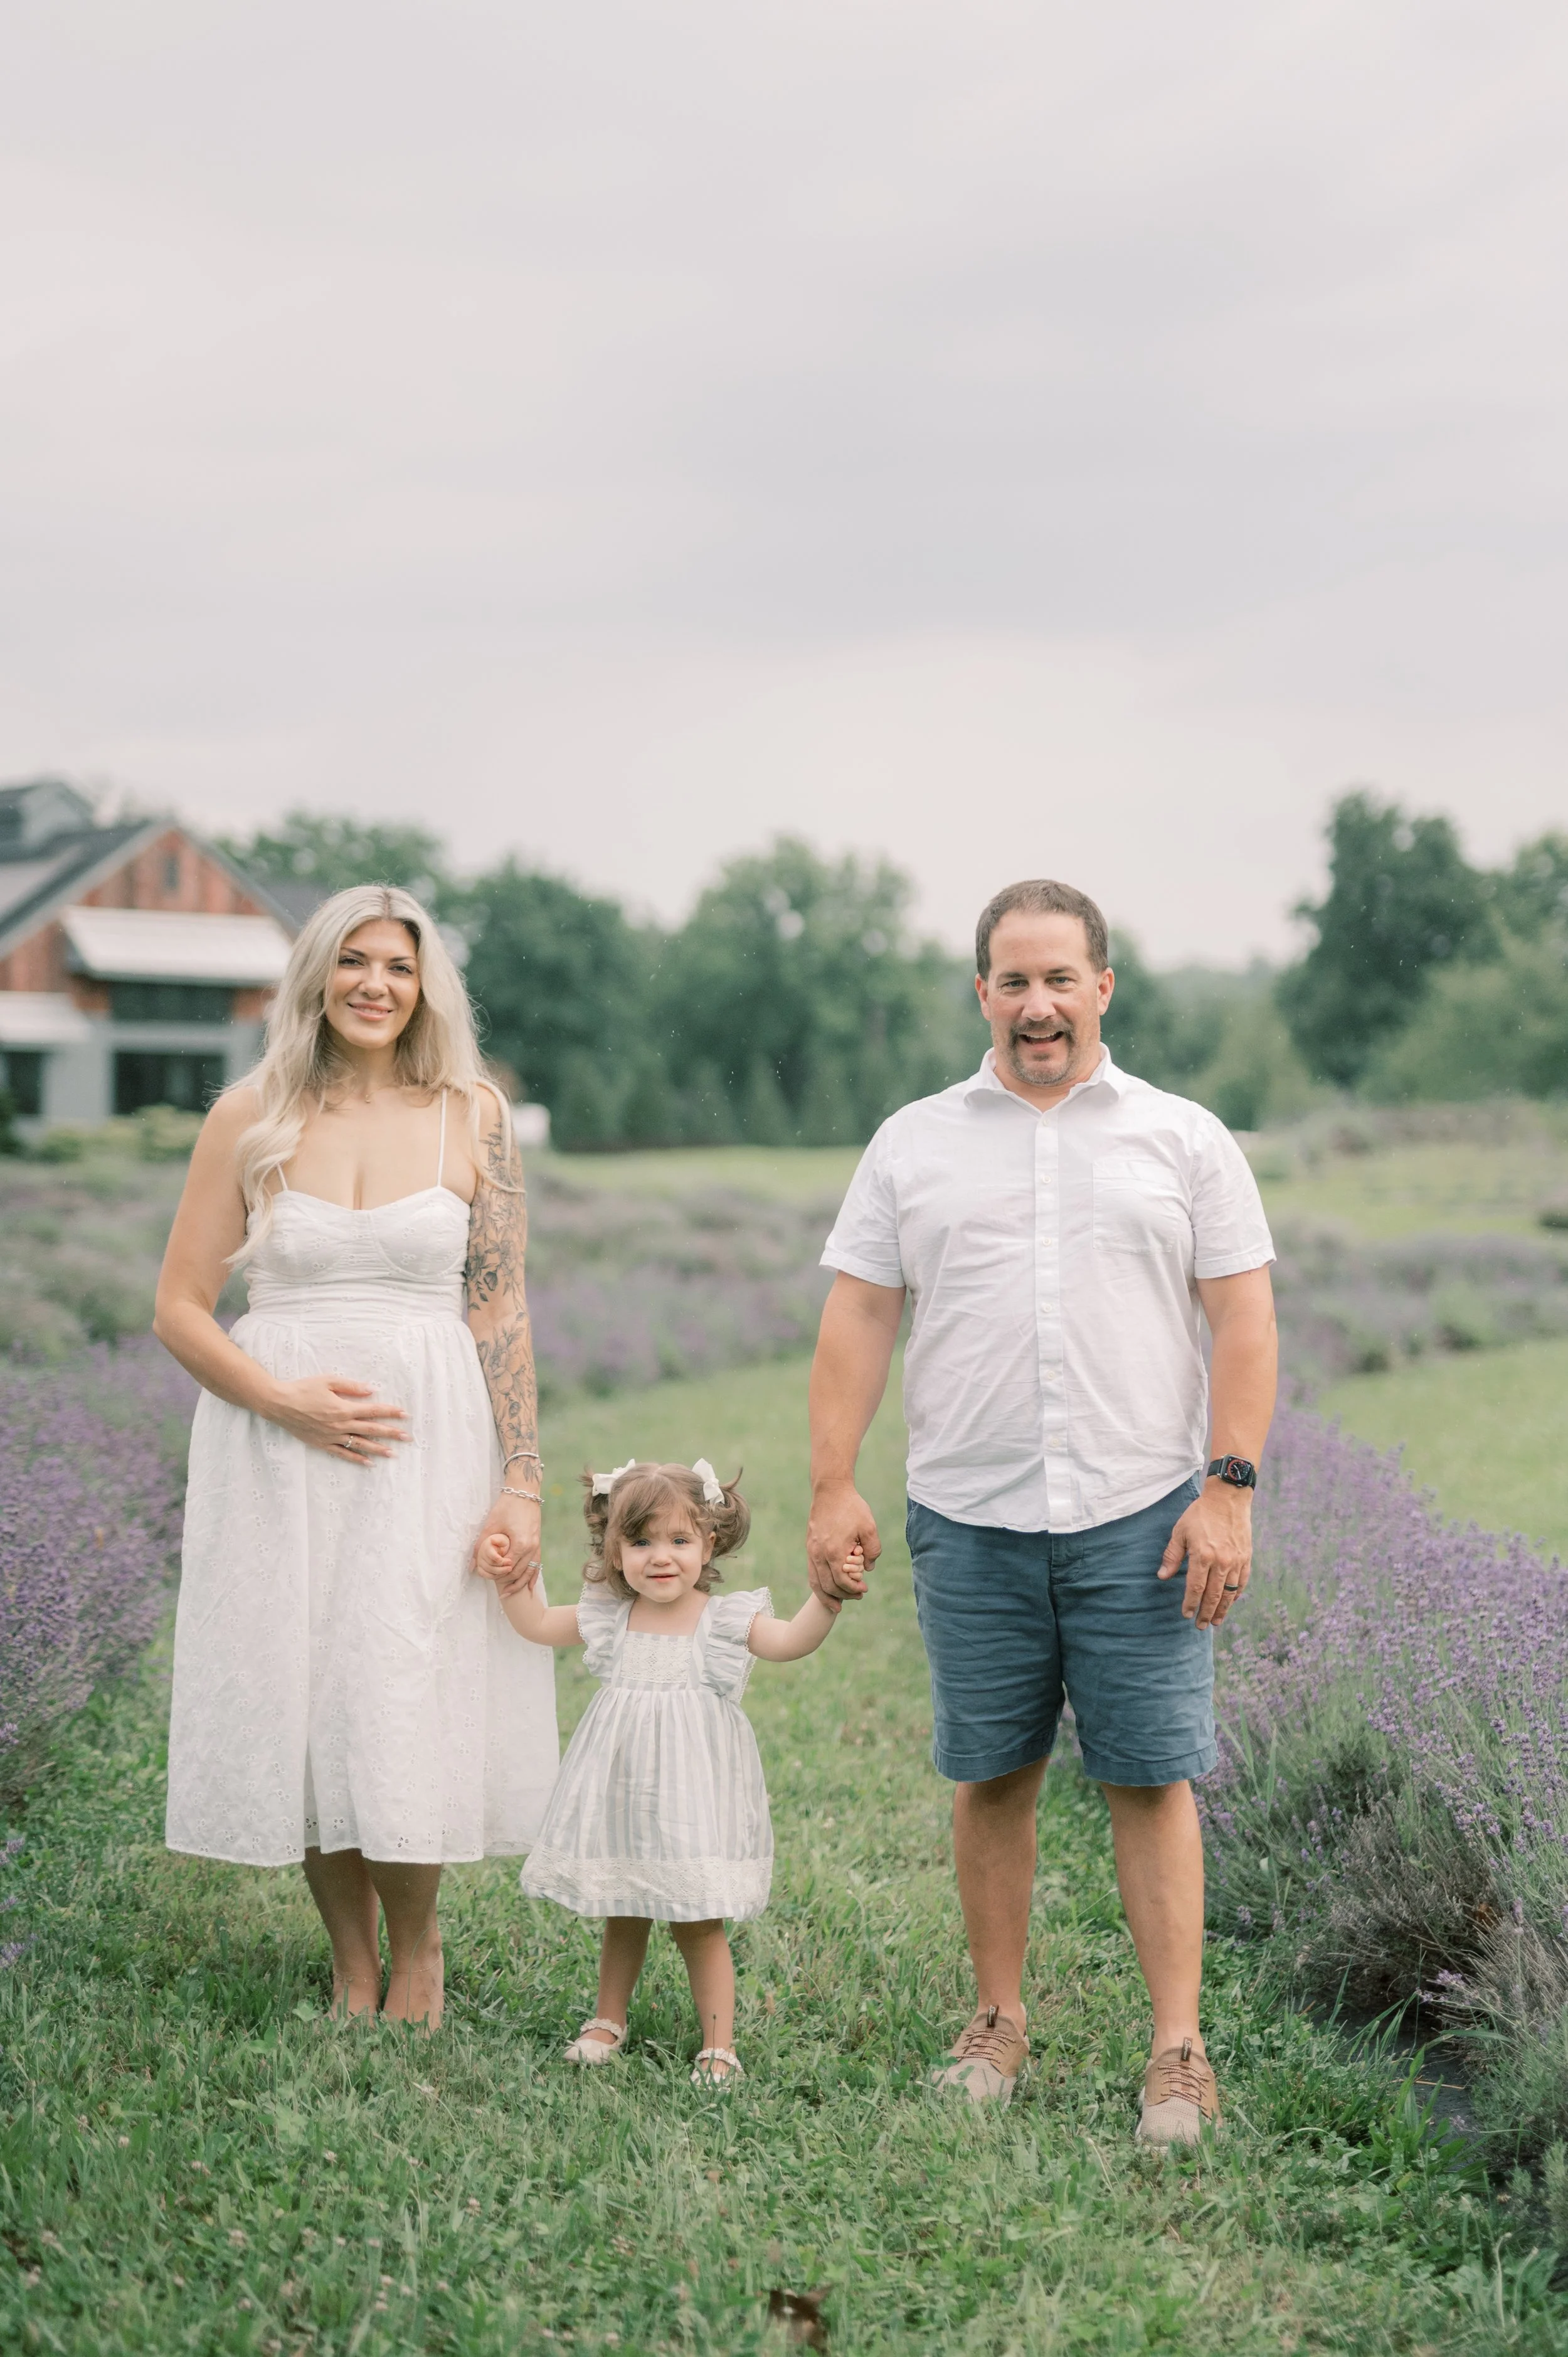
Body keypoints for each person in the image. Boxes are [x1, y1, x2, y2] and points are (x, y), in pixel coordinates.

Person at [805, 878, 1276, 2142]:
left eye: (1059, 978)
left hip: (1143, 1514)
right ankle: (997, 2022)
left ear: (1102, 986)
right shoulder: (913, 1140)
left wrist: (1225, 1489)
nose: (1036, 1004)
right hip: (969, 1515)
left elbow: (1240, 1314)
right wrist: (831, 1482)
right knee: (991, 1774)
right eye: (1011, 981)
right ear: (981, 995)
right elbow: (858, 1314)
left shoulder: (1181, 1138)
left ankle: (1175, 2050)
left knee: (1150, 1776)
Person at [156, 883, 559, 2030]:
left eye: (399, 964)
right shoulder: (251, 1112)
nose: (376, 984)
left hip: (431, 1440)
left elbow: (502, 1311)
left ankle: (419, 1951)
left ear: (426, 984)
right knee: (308, 1676)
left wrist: (522, 1480)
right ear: (317, 978)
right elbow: (181, 1307)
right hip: (275, 1441)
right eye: (354, 962)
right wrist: (282, 1399)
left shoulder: (470, 1113)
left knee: (401, 1676)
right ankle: (347, 1961)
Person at [497, 1458, 862, 2082]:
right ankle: (607, 2018)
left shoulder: (720, 1622)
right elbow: (535, 1624)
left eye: (678, 1540)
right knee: (625, 1905)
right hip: (625, 1794)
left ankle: (719, 2044)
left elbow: (789, 1640)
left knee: (697, 1918)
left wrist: (826, 1597)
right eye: (639, 1541)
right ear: (613, 1548)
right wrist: (510, 1580)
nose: (659, 1557)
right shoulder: (611, 1616)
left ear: (708, 1543)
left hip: (691, 1797)